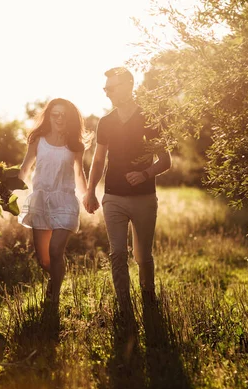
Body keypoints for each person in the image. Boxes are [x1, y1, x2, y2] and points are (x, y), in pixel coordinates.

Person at [83, 67, 172, 328]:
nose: (107, 92)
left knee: (142, 256)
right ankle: (124, 308)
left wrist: (145, 174)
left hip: (144, 197)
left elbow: (166, 160)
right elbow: (98, 160)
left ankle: (149, 302)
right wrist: (90, 191)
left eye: (111, 87)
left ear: (128, 86)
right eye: (105, 88)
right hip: (113, 197)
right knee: (118, 253)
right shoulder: (106, 122)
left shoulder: (150, 117)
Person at [18, 98, 89, 312]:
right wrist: (8, 191)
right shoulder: (38, 140)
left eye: (63, 115)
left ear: (70, 118)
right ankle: (54, 281)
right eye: (55, 114)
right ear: (48, 116)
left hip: (65, 200)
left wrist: (87, 196)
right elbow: (25, 169)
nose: (59, 118)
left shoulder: (76, 145)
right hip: (41, 200)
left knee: (56, 250)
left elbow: (79, 173)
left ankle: (53, 298)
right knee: (45, 260)